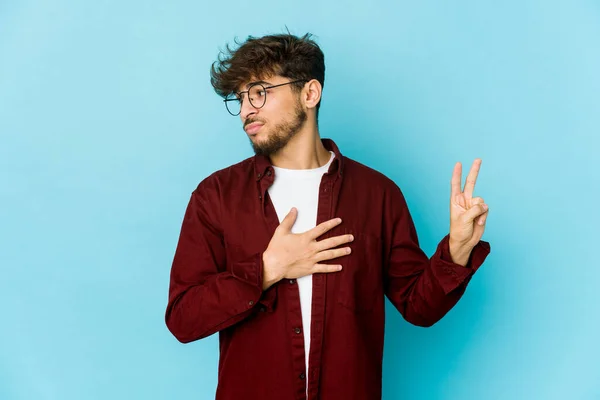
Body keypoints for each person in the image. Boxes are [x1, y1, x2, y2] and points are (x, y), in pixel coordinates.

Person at [165, 31, 491, 400]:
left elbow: (418, 306)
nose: (245, 110)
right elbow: (183, 318)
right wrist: (267, 270)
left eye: (259, 92)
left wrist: (458, 250)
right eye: (239, 98)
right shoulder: (216, 196)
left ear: (309, 93)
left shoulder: (378, 195)